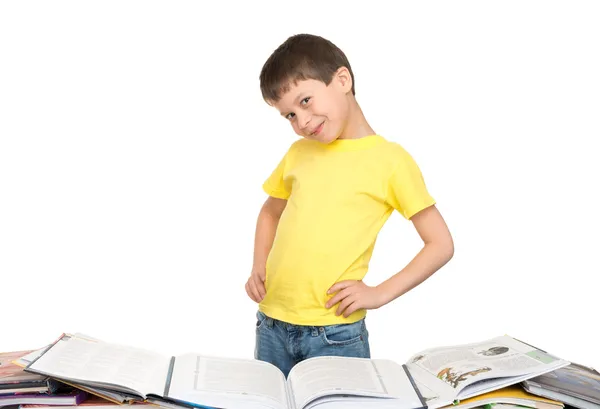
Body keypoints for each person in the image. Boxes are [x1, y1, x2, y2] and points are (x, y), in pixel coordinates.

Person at [245, 33, 454, 378]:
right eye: (290, 115)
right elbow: (270, 211)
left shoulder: (390, 161)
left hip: (335, 334)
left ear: (342, 80)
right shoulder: (298, 154)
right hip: (271, 325)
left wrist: (379, 294)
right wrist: (258, 266)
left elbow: (441, 244)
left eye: (306, 101)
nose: (302, 121)